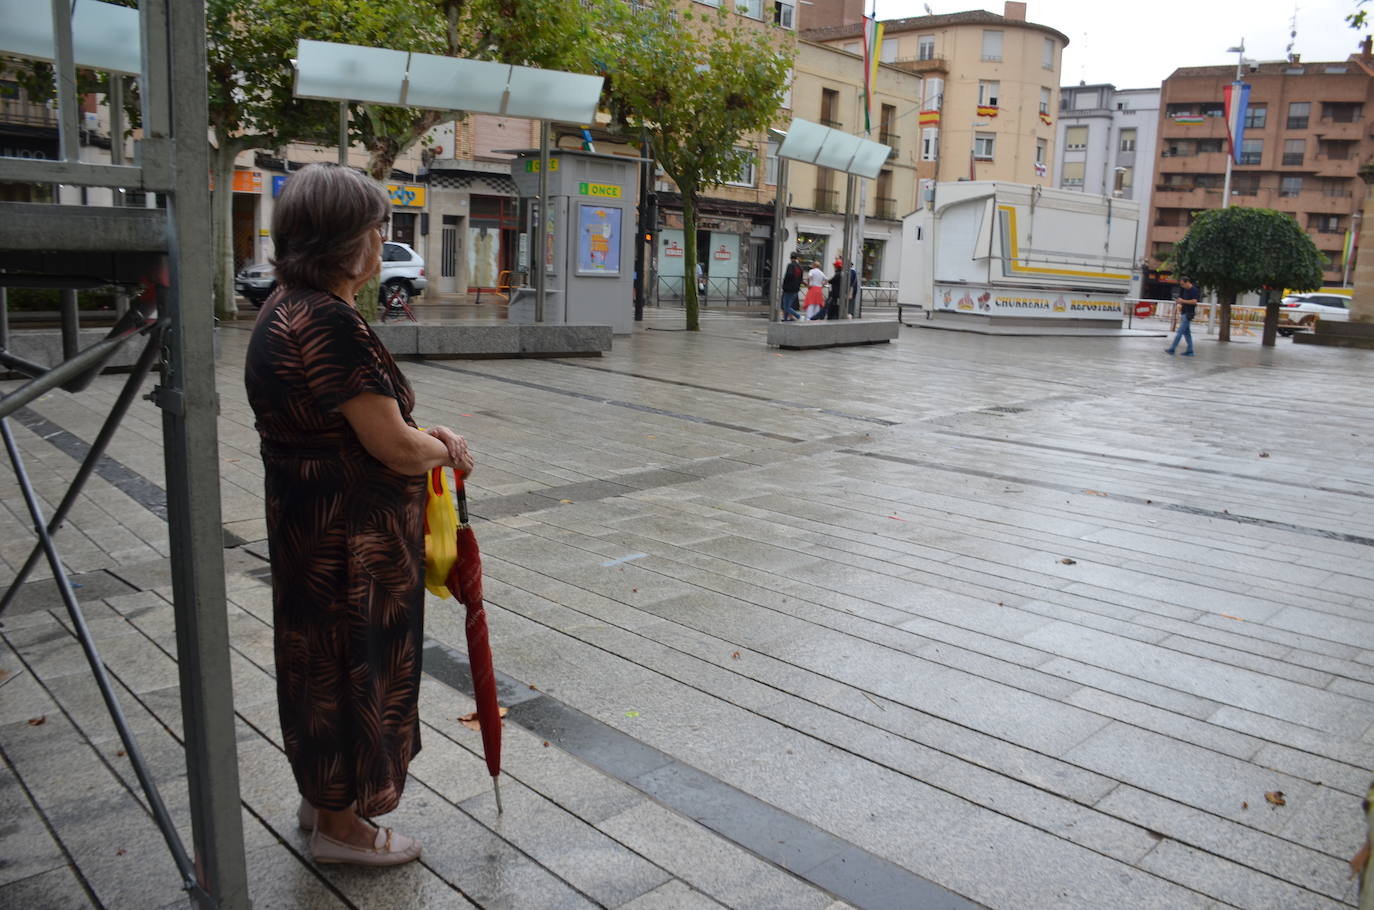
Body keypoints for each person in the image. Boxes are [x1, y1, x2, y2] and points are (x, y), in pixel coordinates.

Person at [244, 163, 474, 867]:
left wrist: (416, 436)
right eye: (377, 227)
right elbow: (391, 448)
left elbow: (342, 421)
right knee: (353, 671)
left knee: (317, 670)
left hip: (308, 535)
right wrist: (441, 449)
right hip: (353, 546)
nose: (382, 240)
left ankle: (324, 804)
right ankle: (344, 832)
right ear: (345, 241)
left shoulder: (284, 307)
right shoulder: (330, 321)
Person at [1167, 276, 1200, 356]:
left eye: (1183, 284)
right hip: (1184, 313)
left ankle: (1172, 348)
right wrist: (1179, 302)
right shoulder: (1184, 290)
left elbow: (1194, 301)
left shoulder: (1194, 290)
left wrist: (1183, 301)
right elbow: (1182, 299)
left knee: (1180, 332)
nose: (1182, 286)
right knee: (1187, 333)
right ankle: (1190, 350)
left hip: (1189, 314)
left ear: (1187, 282)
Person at [779, 252, 804, 321]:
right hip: (795, 289)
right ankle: (785, 318)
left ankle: (798, 316)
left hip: (788, 288)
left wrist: (784, 286)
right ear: (796, 258)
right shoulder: (800, 267)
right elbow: (801, 279)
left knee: (786, 306)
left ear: (790, 257)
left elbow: (788, 276)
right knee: (788, 305)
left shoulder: (790, 265)